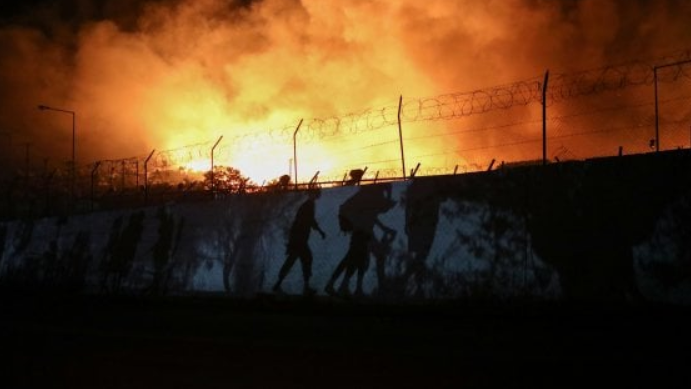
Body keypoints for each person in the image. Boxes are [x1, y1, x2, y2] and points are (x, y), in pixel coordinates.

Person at [273, 188, 326, 295]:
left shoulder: (309, 205)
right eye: (316, 193)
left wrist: (319, 231)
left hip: (299, 238)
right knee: (302, 260)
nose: (317, 195)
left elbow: (309, 220)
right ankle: (302, 287)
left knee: (298, 260)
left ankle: (280, 285)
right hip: (299, 239)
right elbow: (309, 220)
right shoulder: (308, 205)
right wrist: (320, 231)